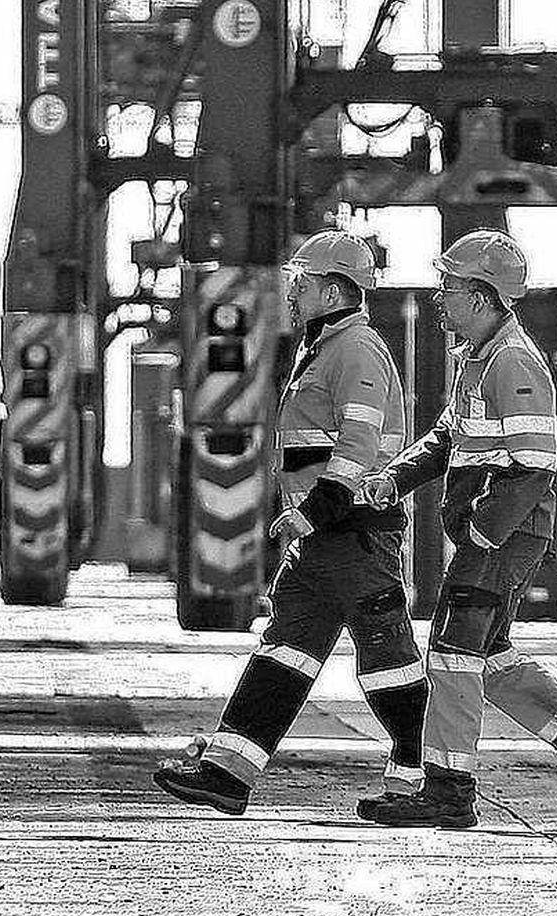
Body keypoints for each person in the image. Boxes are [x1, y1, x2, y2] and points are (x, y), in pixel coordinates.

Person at [356, 231, 557, 831]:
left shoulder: (512, 361)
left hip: (503, 537)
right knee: (487, 657)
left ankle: (448, 791)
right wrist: (395, 478)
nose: (439, 298)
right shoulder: (477, 357)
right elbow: (448, 437)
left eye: (450, 287)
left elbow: (535, 463)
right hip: (497, 537)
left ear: (483, 297)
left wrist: (484, 532)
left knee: (452, 656)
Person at [154, 231, 429, 815]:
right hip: (322, 539)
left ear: (332, 291)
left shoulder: (356, 349)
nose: (292, 292)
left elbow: (357, 446)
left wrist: (315, 511)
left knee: (388, 660)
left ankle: (421, 782)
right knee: (284, 651)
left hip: (352, 532)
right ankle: (228, 774)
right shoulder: (323, 348)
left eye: (302, 283)